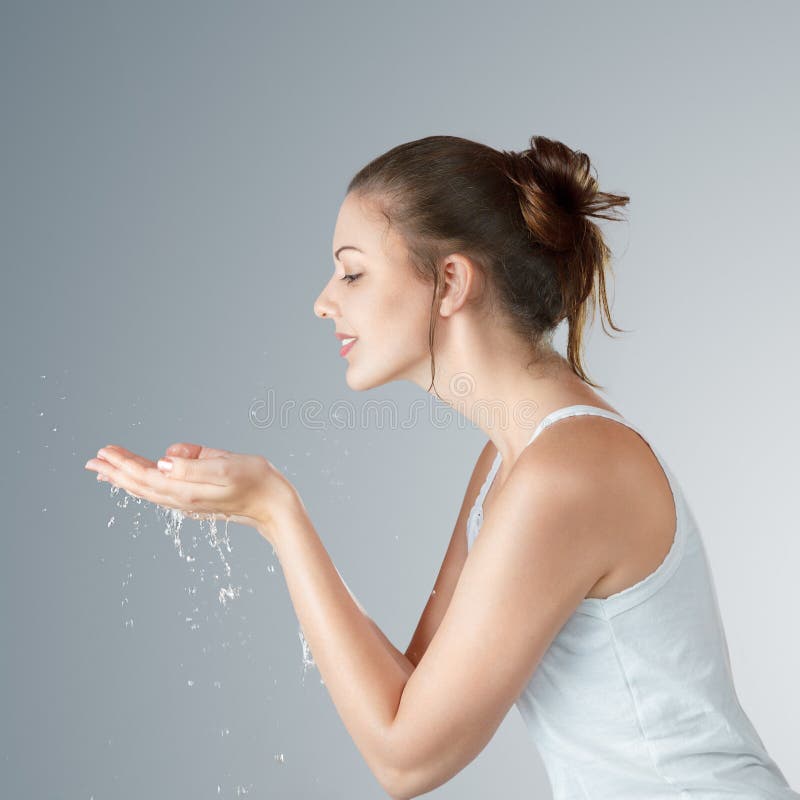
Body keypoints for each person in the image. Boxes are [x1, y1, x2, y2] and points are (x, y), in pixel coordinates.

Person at [85, 134, 799, 799]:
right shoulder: (510, 462)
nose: (323, 301)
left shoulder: (569, 473)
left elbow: (407, 760)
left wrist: (276, 512)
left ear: (451, 282)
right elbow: (409, 697)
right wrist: (271, 511)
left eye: (353, 273)